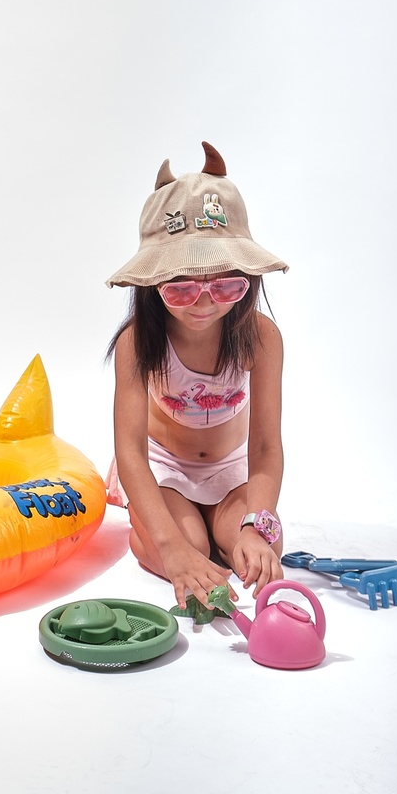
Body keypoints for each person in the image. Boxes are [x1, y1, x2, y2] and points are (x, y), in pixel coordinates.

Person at [105, 141, 289, 610]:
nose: (205, 303)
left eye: (226, 284)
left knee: (262, 552)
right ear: (152, 285)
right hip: (163, 467)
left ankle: (211, 526)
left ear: (248, 278)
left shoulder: (260, 339)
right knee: (185, 548)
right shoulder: (138, 342)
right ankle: (159, 525)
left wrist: (255, 526)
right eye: (181, 288)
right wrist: (170, 548)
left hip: (229, 471)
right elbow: (129, 450)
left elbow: (266, 448)